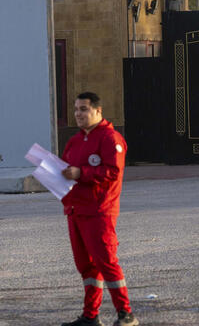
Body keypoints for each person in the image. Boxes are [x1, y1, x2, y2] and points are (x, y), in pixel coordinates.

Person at [60, 92, 138, 326]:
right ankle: (90, 315)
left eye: (83, 109)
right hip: (76, 210)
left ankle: (126, 314)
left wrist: (81, 173)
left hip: (100, 211)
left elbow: (113, 171)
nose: (78, 114)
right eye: (76, 109)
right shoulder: (74, 141)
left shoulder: (110, 138)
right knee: (86, 266)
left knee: (107, 262)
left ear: (98, 111)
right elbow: (65, 169)